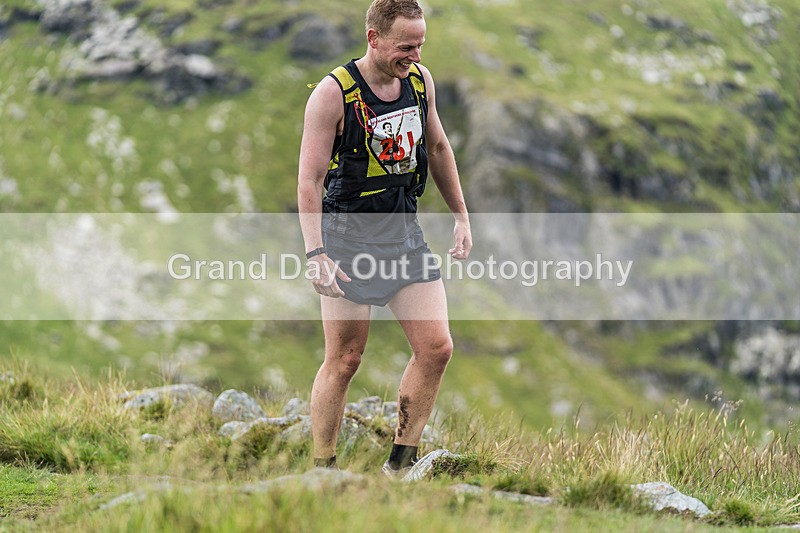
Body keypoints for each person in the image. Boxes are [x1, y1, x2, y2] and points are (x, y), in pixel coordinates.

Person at [297, 0, 471, 476]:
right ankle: (324, 469)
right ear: (373, 38)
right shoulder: (333, 95)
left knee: (437, 347)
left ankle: (399, 467)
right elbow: (309, 181)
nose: (414, 55)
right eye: (404, 46)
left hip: (403, 235)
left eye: (420, 45)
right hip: (345, 241)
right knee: (345, 359)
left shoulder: (419, 81)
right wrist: (316, 254)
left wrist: (461, 215)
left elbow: (436, 146)